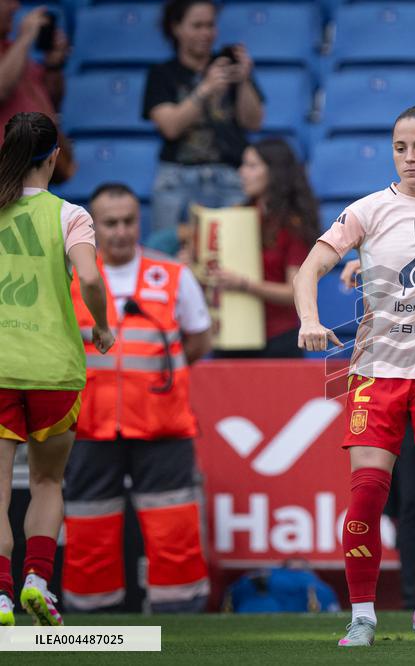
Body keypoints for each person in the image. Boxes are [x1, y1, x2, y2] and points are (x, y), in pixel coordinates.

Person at [294, 106, 415, 647]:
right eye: (401, 147)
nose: (410, 157)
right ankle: (362, 614)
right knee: (369, 494)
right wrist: (310, 319)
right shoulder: (368, 210)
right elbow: (309, 267)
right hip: (377, 372)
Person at [61, 182, 213, 614]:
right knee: (89, 533)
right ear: (93, 226)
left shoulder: (173, 275)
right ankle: (91, 629)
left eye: (129, 221)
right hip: (89, 427)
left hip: (163, 425)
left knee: (175, 534)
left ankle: (182, 625)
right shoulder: (72, 279)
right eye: (110, 223)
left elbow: (198, 340)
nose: (122, 231)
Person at [0, 112, 114, 627]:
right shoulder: (71, 215)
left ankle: (1, 595)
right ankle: (36, 582)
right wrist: (104, 325)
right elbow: (89, 277)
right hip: (54, 369)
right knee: (47, 483)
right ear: (54, 157)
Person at [143, 0, 264, 233]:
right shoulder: (161, 74)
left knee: (234, 256)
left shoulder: (228, 67)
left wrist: (245, 80)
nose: (206, 33)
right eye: (196, 26)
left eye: (210, 25)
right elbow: (170, 127)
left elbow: (254, 121)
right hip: (177, 179)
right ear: (176, 28)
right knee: (171, 257)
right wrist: (205, 89)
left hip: (230, 177)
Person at [210, 137, 319, 358]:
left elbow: (295, 292)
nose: (242, 172)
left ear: (274, 172)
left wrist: (243, 284)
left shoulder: (292, 224)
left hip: (277, 340)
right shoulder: (237, 214)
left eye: (251, 166)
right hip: (232, 335)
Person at [0, 1, 73, 181]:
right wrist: (25, 37)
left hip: (34, 170)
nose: (16, 7)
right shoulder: (17, 50)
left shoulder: (12, 51)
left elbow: (52, 98)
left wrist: (53, 64)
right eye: (7, 1)